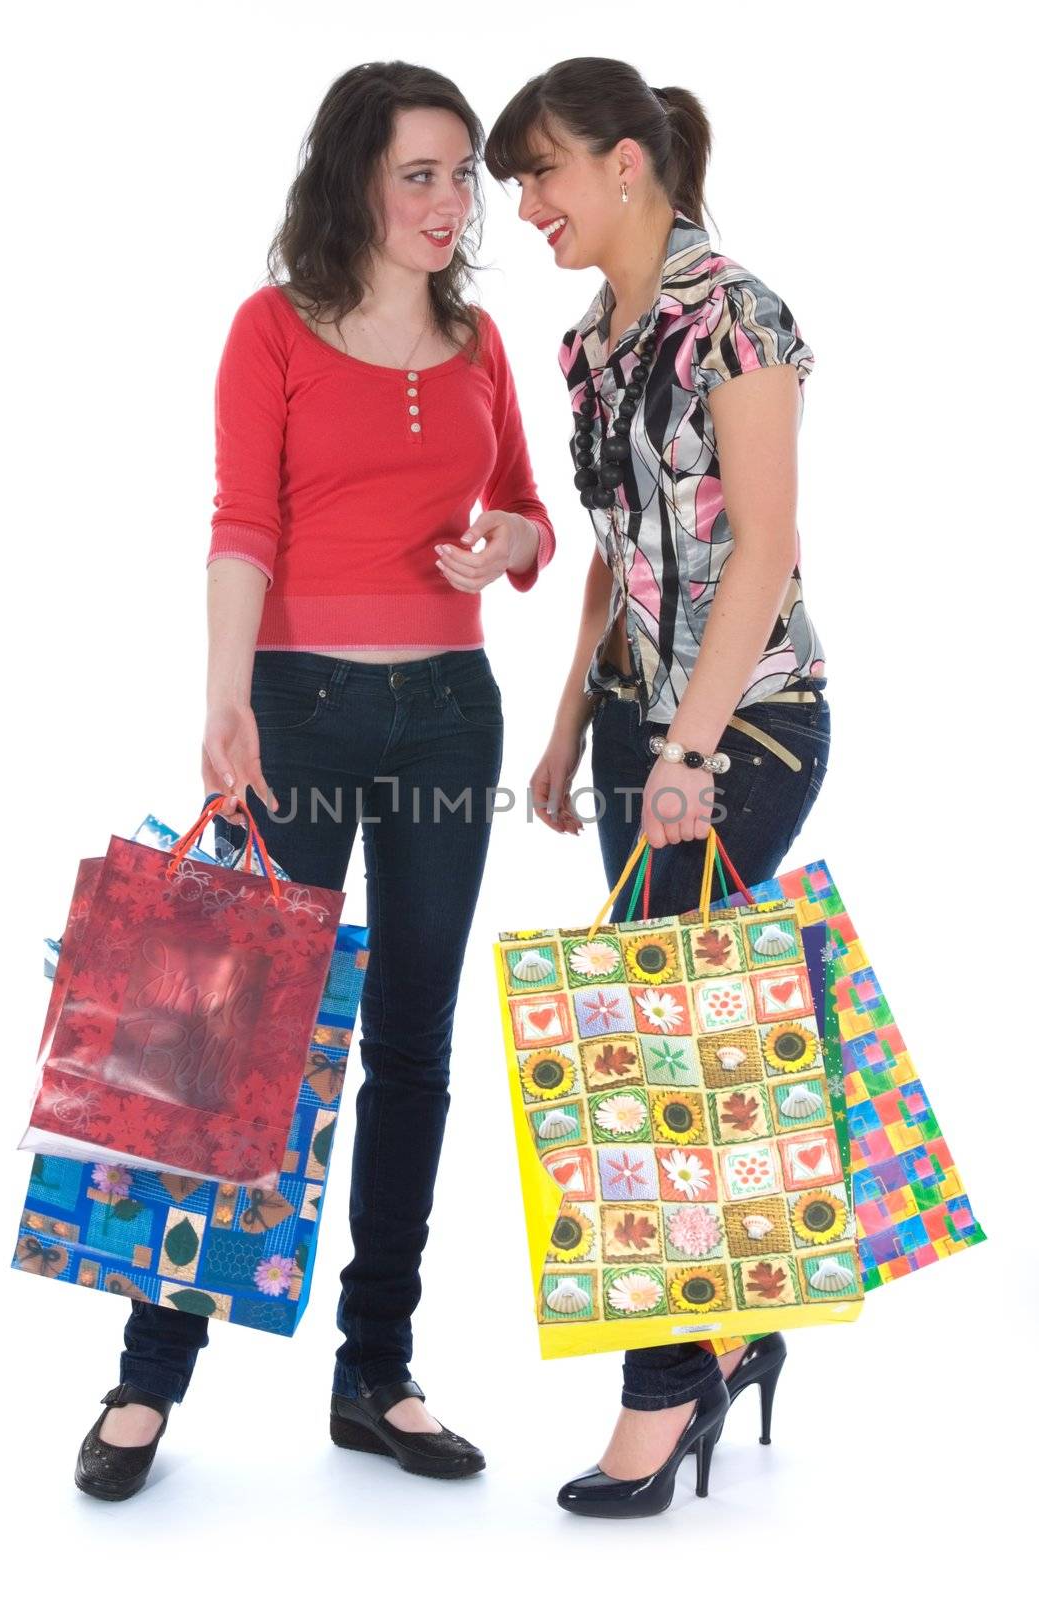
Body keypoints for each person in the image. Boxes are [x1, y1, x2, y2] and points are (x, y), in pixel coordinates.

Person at [74, 60, 555, 1502]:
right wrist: (225, 695)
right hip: (299, 710)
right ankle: (149, 1378)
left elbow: (532, 516)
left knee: (412, 1044)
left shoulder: (478, 343)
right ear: (356, 177)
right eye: (423, 172)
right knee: (237, 1044)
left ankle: (378, 1372)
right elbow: (240, 520)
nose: (453, 200)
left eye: (466, 173)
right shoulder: (270, 329)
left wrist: (502, 554)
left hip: (447, 718)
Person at [487, 57, 829, 1517]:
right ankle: (734, 1326)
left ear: (628, 164)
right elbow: (619, 565)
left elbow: (760, 548)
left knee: (647, 1055)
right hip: (638, 727)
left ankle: (663, 1388)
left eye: (544, 173)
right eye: (516, 182)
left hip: (745, 723)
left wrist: (688, 750)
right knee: (686, 1032)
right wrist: (570, 729)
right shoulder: (594, 339)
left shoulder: (735, 316)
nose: (527, 206)